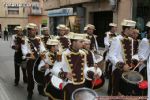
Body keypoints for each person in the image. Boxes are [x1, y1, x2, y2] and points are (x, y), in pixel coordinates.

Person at [51, 33, 100, 100]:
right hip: (69, 85)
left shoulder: (83, 53)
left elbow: (85, 69)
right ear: (74, 42)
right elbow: (54, 69)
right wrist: (64, 74)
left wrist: (92, 74)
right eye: (81, 41)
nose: (83, 44)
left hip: (81, 85)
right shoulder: (63, 54)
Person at [108, 19, 136, 95]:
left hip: (128, 71)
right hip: (118, 70)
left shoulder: (131, 40)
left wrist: (133, 62)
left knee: (126, 92)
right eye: (132, 29)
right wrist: (122, 65)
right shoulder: (116, 39)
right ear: (126, 29)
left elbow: (130, 55)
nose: (134, 31)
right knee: (116, 92)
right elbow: (111, 56)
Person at [21, 23, 46, 100]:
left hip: (39, 61)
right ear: (28, 31)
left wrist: (44, 53)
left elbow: (42, 49)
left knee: (40, 76)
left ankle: (41, 90)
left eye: (35, 30)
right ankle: (30, 92)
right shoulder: (24, 40)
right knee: (31, 78)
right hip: (31, 62)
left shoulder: (39, 39)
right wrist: (30, 55)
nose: (34, 31)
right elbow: (24, 51)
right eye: (32, 30)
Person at [103, 23, 118, 95]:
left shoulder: (117, 35)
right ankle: (106, 72)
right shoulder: (107, 34)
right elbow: (106, 42)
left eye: (116, 28)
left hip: (114, 51)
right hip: (108, 51)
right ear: (111, 28)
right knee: (107, 61)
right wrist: (110, 45)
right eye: (114, 28)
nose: (115, 29)